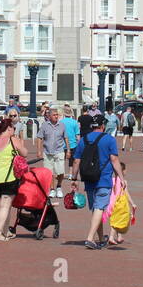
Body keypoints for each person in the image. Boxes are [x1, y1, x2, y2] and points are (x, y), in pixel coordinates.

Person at [72, 117, 120, 249]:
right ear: (103, 126)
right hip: (103, 178)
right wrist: (120, 176)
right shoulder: (109, 139)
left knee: (96, 209)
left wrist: (74, 178)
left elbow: (76, 161)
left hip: (88, 178)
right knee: (100, 208)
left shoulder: (84, 140)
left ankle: (100, 238)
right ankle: (90, 238)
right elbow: (114, 159)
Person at [0, 118, 27, 241]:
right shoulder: (13, 140)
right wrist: (21, 143)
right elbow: (24, 153)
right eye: (13, 128)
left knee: (7, 204)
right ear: (9, 128)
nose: (14, 130)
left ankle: (6, 231)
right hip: (9, 177)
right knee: (5, 205)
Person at [37, 106, 69, 198]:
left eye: (57, 115)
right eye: (54, 115)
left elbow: (66, 138)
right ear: (49, 116)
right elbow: (39, 138)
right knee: (49, 172)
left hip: (59, 151)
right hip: (47, 152)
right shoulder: (44, 125)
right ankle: (52, 189)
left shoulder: (62, 125)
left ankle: (59, 186)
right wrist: (39, 151)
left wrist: (69, 150)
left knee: (61, 171)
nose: (56, 116)